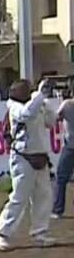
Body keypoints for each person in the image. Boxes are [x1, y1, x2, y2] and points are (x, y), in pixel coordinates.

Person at [0, 79, 57, 251]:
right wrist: (38, 96)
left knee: (43, 196)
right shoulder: (14, 107)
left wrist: (45, 101)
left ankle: (40, 232)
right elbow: (26, 114)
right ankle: (3, 232)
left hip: (40, 156)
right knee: (19, 197)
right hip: (22, 157)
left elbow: (51, 122)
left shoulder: (37, 104)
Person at [53, 82, 74, 218]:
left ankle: (58, 209)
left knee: (61, 177)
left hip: (71, 145)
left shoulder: (67, 104)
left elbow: (56, 118)